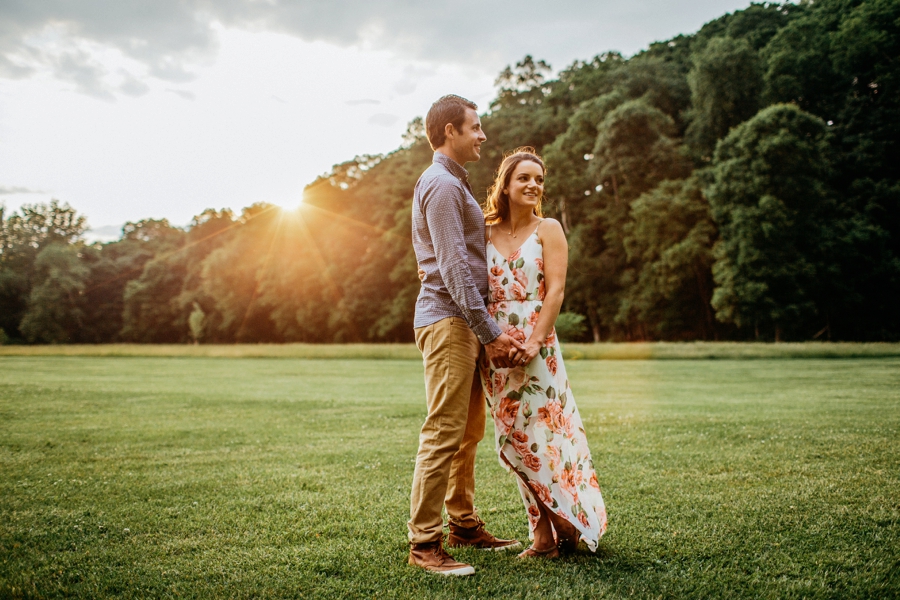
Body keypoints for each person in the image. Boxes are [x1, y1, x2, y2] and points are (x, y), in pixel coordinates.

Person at [407, 95, 524, 576]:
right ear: (450, 131)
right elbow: (454, 268)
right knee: (443, 430)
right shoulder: (440, 184)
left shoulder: (454, 182)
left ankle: (463, 524)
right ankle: (424, 542)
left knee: (468, 431)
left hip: (462, 321)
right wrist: (489, 331)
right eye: (475, 128)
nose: (482, 136)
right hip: (450, 320)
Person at [478, 147, 607, 558]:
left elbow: (556, 291)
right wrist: (490, 339)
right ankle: (544, 531)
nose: (534, 185)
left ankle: (558, 528)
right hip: (495, 347)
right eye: (525, 178)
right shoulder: (483, 231)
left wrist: (534, 340)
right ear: (506, 184)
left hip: (539, 347)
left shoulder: (548, 228)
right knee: (513, 439)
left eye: (539, 179)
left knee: (546, 437)